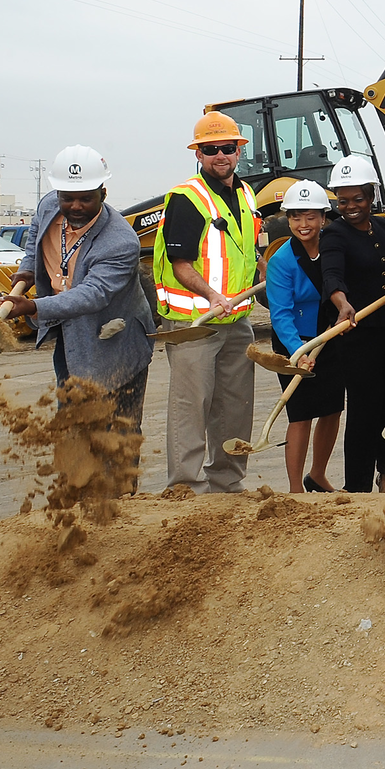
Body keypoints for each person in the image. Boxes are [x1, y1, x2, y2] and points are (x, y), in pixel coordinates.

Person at [3, 145, 154, 432]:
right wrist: (28, 268)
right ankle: (74, 473)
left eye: (86, 199)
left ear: (103, 194)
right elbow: (36, 233)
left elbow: (93, 294)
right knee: (74, 416)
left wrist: (34, 306)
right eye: (68, 198)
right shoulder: (49, 205)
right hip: (71, 334)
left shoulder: (120, 241)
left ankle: (119, 477)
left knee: (118, 429)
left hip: (115, 339)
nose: (75, 206)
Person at [152, 112, 264, 493]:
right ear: (198, 154)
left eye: (228, 148)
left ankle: (228, 484)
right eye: (211, 149)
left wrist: (265, 274)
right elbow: (180, 263)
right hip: (193, 324)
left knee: (235, 406)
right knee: (191, 406)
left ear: (239, 151)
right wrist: (212, 295)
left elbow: (245, 251)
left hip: (237, 319)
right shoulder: (187, 198)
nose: (221, 155)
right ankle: (185, 487)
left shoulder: (247, 195)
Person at [321, 155, 385, 493]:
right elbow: (332, 276)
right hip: (356, 335)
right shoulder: (334, 234)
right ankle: (356, 487)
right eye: (343, 201)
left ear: (371, 197)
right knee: (364, 411)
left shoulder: (382, 227)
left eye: (358, 199)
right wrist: (342, 304)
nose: (351, 207)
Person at [265, 179, 342, 493]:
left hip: (330, 335)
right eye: (296, 217)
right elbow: (280, 314)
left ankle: (318, 475)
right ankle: (296, 489)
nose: (303, 224)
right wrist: (299, 352)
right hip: (294, 343)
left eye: (311, 216)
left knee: (332, 408)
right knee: (300, 415)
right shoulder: (282, 261)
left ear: (324, 217)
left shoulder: (334, 247)